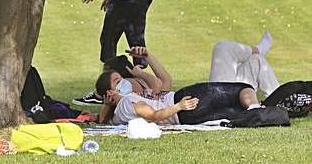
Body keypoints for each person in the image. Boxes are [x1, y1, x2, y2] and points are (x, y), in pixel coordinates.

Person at [96, 49, 263, 125]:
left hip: (183, 112)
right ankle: (259, 109)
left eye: (122, 78)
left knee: (239, 106)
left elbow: (162, 83)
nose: (125, 82)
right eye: (118, 81)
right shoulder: (129, 101)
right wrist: (109, 102)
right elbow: (155, 110)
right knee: (243, 91)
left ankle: (260, 110)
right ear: (111, 92)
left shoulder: (137, 95)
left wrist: (146, 61)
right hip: (181, 103)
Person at [209, 32, 279, 96]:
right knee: (222, 47)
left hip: (227, 96)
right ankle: (257, 50)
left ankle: (282, 101)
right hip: (221, 101)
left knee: (256, 60)